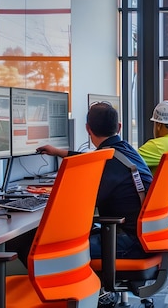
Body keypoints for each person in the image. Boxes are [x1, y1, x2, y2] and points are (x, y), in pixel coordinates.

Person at [34, 102, 154, 260]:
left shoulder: (105, 163)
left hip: (128, 242)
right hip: (146, 236)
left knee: (43, 250)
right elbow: (93, 159)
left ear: (87, 129)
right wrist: (59, 152)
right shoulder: (126, 149)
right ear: (119, 127)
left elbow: (80, 205)